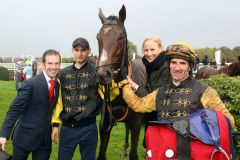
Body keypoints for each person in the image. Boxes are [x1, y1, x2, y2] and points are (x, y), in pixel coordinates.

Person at [119, 42, 235, 159]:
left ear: (190, 67)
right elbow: (138, 105)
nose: (177, 68)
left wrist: (195, 125)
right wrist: (124, 82)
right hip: (164, 154)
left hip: (193, 155)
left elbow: (228, 120)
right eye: (173, 63)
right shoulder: (160, 92)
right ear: (169, 65)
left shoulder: (205, 91)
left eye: (182, 63)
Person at [0, 49, 61, 160]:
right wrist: (4, 135)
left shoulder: (57, 84)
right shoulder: (30, 84)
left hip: (44, 141)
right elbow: (14, 110)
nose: (54, 66)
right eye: (50, 63)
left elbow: (49, 109)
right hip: (24, 138)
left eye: (56, 63)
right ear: (43, 64)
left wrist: (55, 126)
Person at [51, 37, 101, 160]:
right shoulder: (63, 74)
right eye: (76, 50)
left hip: (88, 128)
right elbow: (59, 101)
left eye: (83, 50)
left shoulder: (97, 72)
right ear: (72, 50)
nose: (79, 53)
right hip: (67, 129)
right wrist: (56, 124)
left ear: (89, 51)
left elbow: (109, 94)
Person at [127, 35, 171, 147]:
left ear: (161, 48)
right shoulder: (151, 66)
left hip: (164, 119)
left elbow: (156, 97)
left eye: (152, 49)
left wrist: (133, 85)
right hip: (153, 117)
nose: (148, 53)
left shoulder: (166, 67)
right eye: (146, 50)